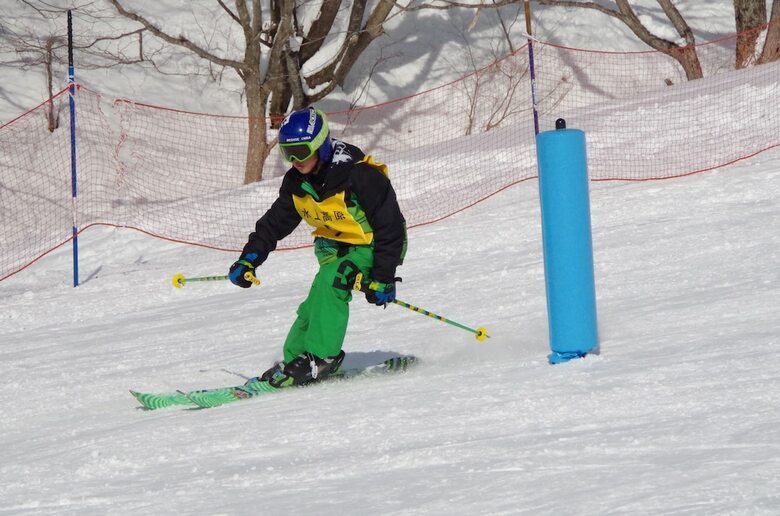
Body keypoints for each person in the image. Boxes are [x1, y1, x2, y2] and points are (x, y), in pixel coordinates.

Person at [228, 107, 407, 388]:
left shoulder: (359, 175)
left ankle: (321, 358)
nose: (295, 161)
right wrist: (248, 259)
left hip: (374, 246)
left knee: (334, 279)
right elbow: (273, 224)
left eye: (301, 151)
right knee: (317, 299)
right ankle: (296, 359)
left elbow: (391, 227)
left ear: (321, 145)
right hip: (337, 249)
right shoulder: (297, 182)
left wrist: (383, 276)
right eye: (288, 153)